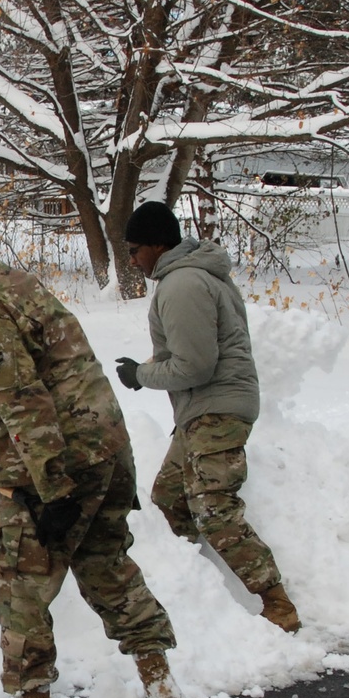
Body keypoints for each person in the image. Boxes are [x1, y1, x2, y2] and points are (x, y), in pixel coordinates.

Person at [0, 191, 182, 698]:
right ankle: (158, 679)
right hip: (106, 450)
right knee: (105, 561)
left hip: (57, 461)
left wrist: (52, 489)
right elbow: (28, 381)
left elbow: (23, 402)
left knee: (20, 583)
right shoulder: (17, 285)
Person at [115, 200, 301, 634]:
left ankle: (277, 603)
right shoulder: (189, 276)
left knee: (212, 507)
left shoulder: (182, 284)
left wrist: (141, 375)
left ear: (158, 244)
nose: (131, 258)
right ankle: (193, 589)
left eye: (134, 248)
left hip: (217, 407)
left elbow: (195, 365)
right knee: (169, 497)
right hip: (204, 408)